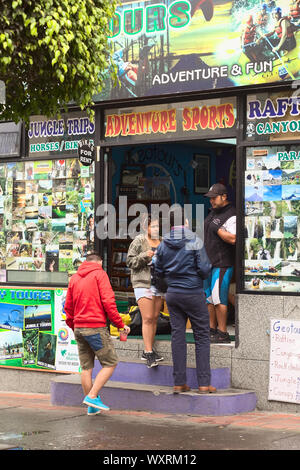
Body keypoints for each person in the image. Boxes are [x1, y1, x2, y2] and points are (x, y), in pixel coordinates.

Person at [154, 207, 216, 395]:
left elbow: (157, 270)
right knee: (202, 336)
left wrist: (168, 285)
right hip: (193, 292)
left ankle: (179, 382)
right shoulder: (194, 240)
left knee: (177, 336)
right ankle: (204, 384)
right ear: (186, 222)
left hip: (172, 294)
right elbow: (205, 268)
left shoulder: (163, 243)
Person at [64, 253, 130, 415]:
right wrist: (120, 325)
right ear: (99, 262)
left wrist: (74, 326)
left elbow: (68, 308)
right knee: (110, 363)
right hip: (95, 327)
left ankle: (91, 406)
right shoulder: (100, 275)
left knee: (86, 368)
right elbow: (109, 302)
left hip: (79, 327)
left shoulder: (74, 278)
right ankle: (93, 396)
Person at [126, 216, 164, 369]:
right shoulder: (139, 241)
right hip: (143, 283)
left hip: (159, 283)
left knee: (155, 317)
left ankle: (150, 349)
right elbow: (129, 262)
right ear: (145, 227)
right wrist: (144, 256)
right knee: (147, 317)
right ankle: (147, 351)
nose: (156, 229)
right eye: (152, 226)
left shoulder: (162, 241)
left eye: (157, 226)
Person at [204, 183, 236, 344]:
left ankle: (223, 332)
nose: (211, 201)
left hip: (222, 263)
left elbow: (233, 238)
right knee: (209, 298)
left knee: (219, 298)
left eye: (214, 198)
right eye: (210, 198)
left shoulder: (231, 214)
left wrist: (218, 229)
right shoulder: (213, 213)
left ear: (224, 196)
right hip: (208, 263)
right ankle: (211, 329)